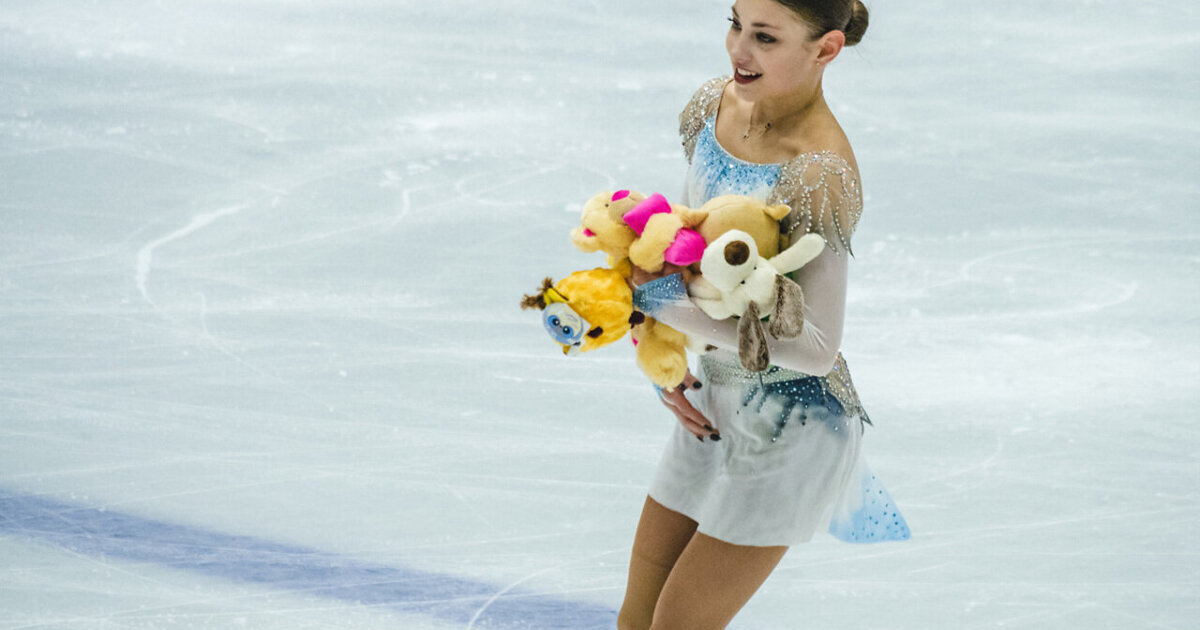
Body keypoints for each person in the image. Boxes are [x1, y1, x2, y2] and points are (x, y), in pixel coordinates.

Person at [617, 1, 910, 628]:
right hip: (711, 405)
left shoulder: (820, 170)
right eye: (735, 23)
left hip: (795, 425)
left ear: (826, 49)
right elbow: (684, 252)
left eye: (765, 37)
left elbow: (817, 348)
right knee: (634, 621)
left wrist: (663, 305)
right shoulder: (713, 106)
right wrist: (663, 357)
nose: (738, 49)